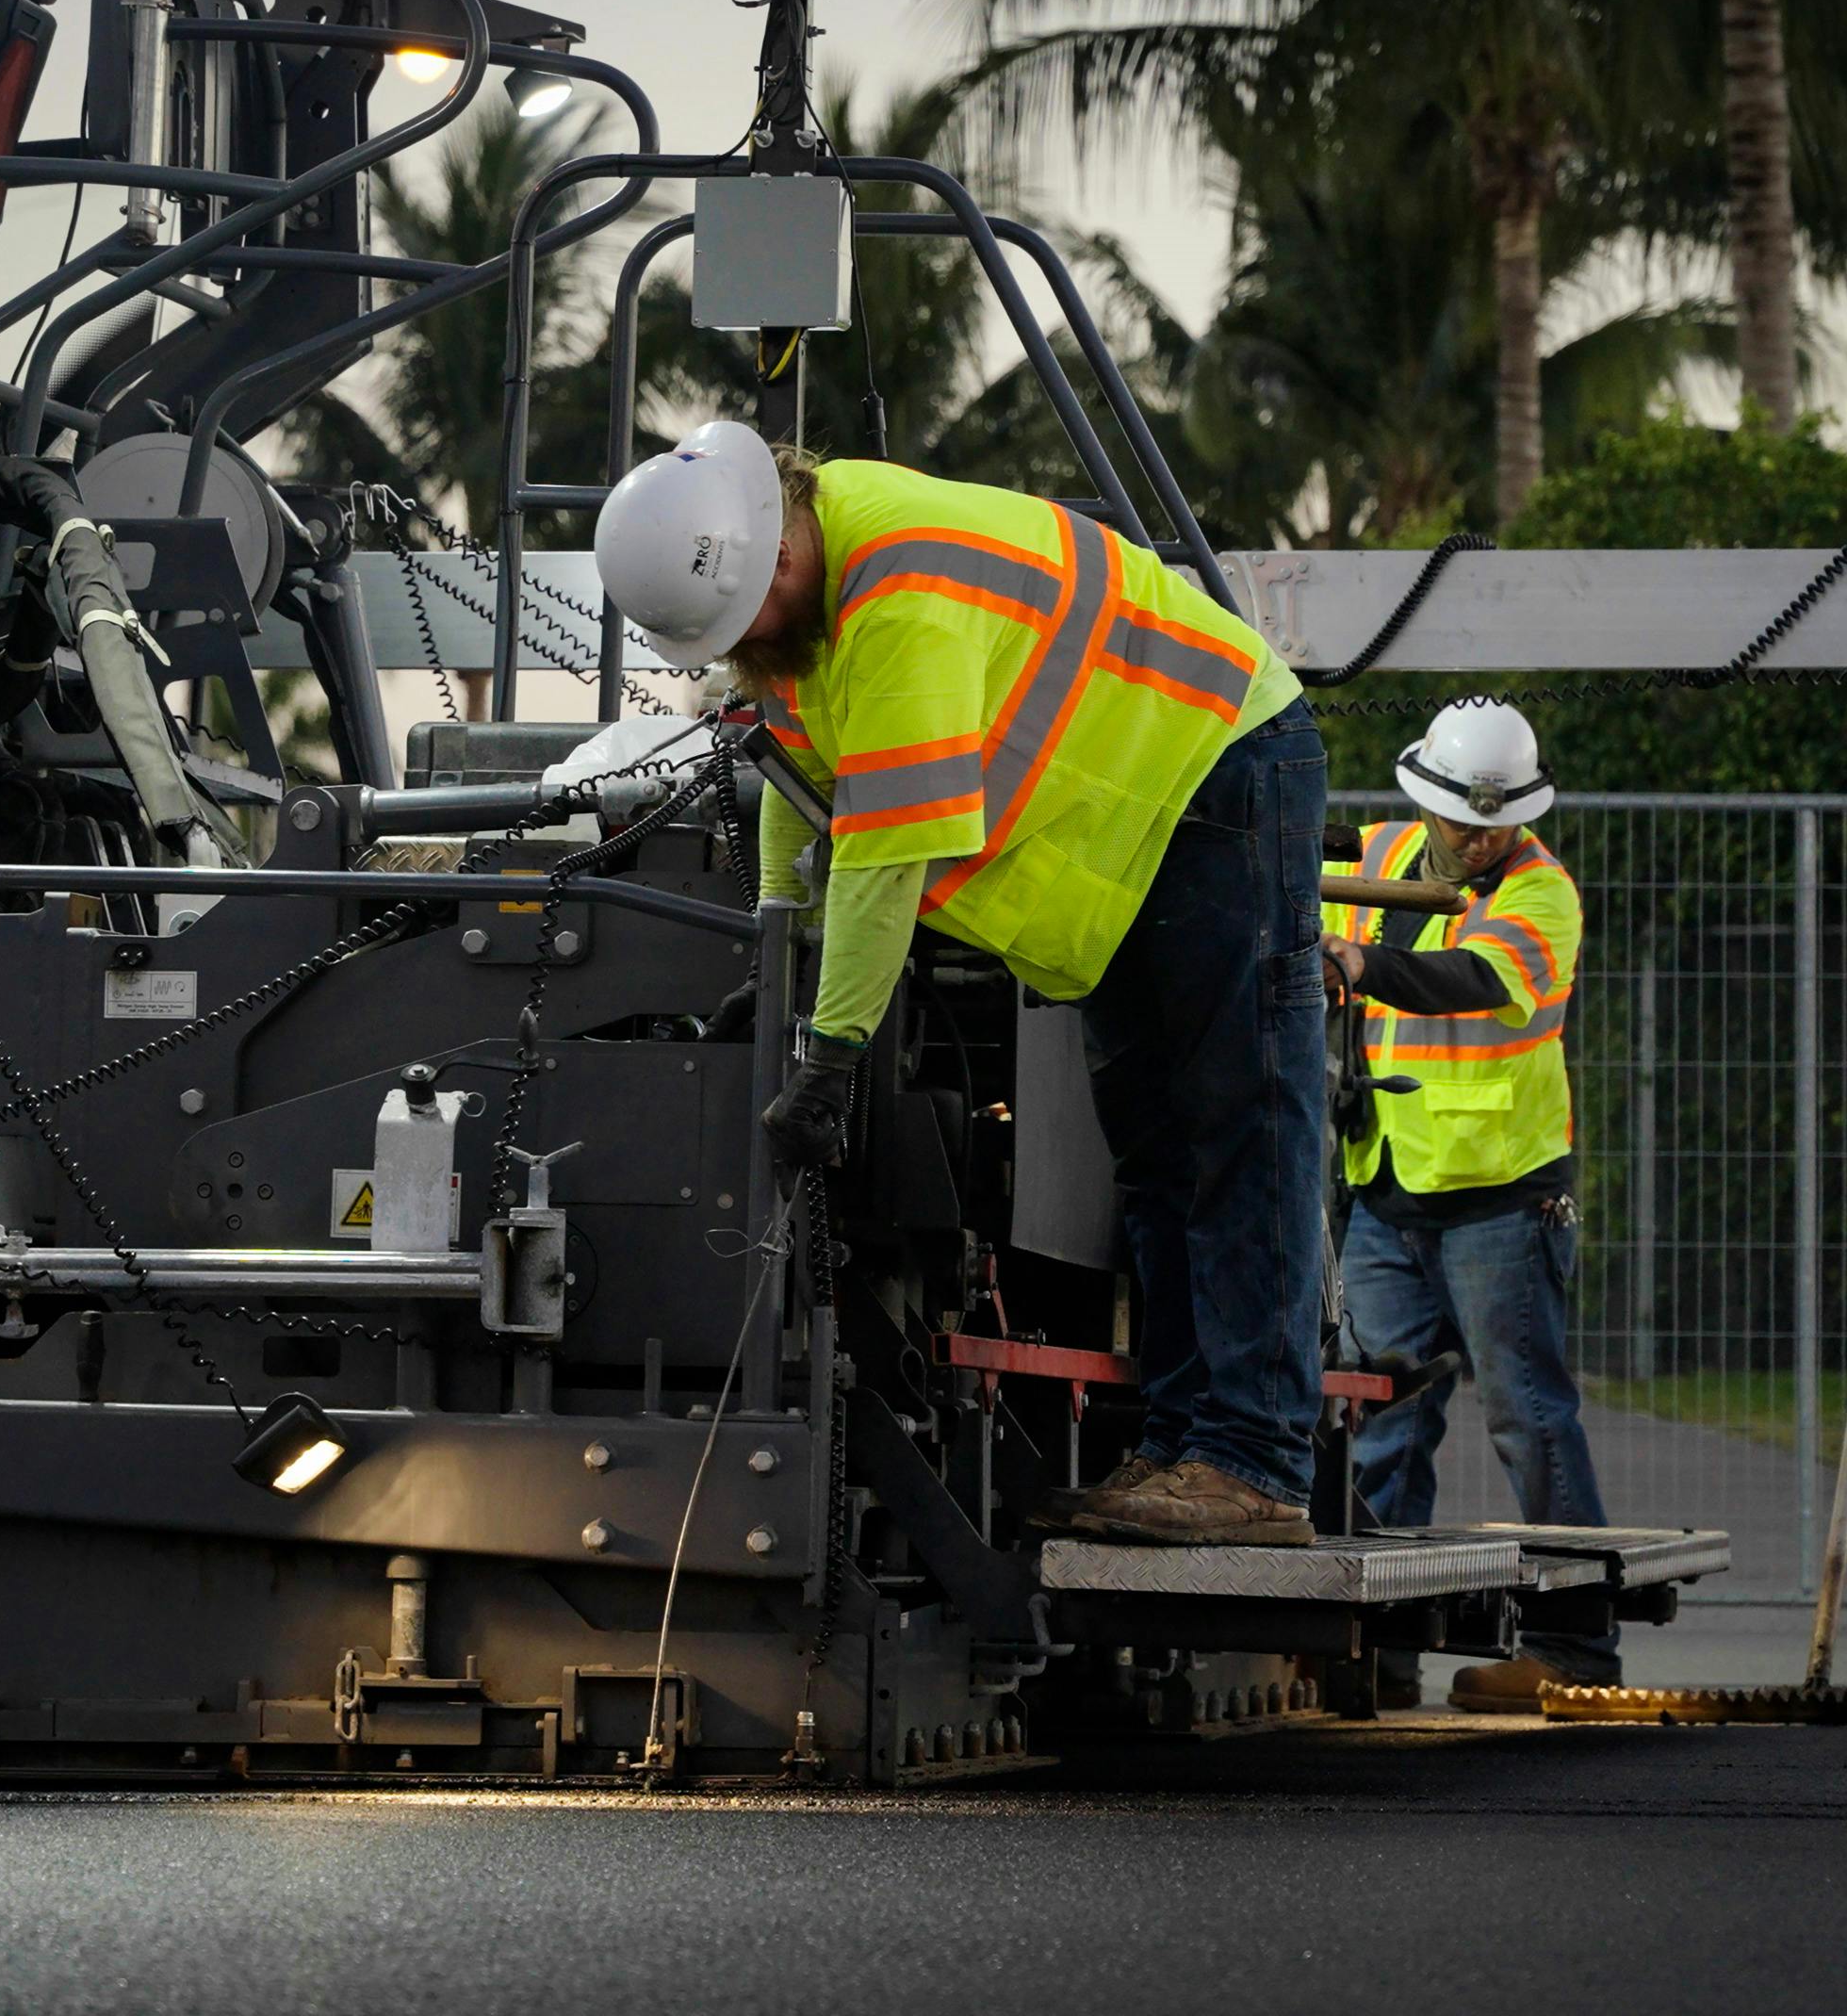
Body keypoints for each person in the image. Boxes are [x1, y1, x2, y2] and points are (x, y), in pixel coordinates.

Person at [595, 424, 1326, 1547]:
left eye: (748, 620)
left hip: (1215, 774)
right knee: (1162, 1149)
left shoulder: (902, 596)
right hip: (1141, 813)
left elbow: (883, 853)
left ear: (774, 556)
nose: (752, 644)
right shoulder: (809, 584)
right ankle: (1190, 1444)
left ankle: (1255, 1460)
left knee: (1240, 1125)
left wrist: (831, 1057)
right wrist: (775, 952)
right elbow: (799, 777)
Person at [1314, 702, 1614, 1710]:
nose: (1481, 839)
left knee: (1529, 1417)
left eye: (1498, 823)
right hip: (1389, 1184)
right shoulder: (1382, 852)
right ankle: (1379, 1648)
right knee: (1381, 1423)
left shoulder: (1542, 893)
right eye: (1464, 821)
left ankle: (1574, 1648)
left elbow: (1468, 978)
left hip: (1502, 1198)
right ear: (1425, 801)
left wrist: (1361, 965)